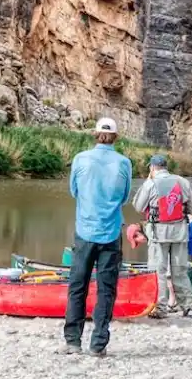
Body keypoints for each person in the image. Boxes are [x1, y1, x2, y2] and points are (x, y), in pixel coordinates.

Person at [63, 117, 132, 358]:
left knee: (77, 286)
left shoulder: (80, 159)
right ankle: (98, 344)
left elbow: (74, 191)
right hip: (111, 233)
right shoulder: (124, 163)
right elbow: (124, 197)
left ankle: (72, 341)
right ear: (116, 136)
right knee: (106, 289)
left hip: (85, 231)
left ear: (95, 134)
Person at [132, 154, 192, 318]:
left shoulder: (150, 183)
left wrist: (147, 181)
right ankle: (188, 306)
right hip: (180, 232)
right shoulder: (182, 182)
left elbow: (138, 206)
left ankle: (160, 308)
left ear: (152, 168)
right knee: (180, 270)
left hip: (158, 233)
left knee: (157, 270)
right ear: (166, 167)